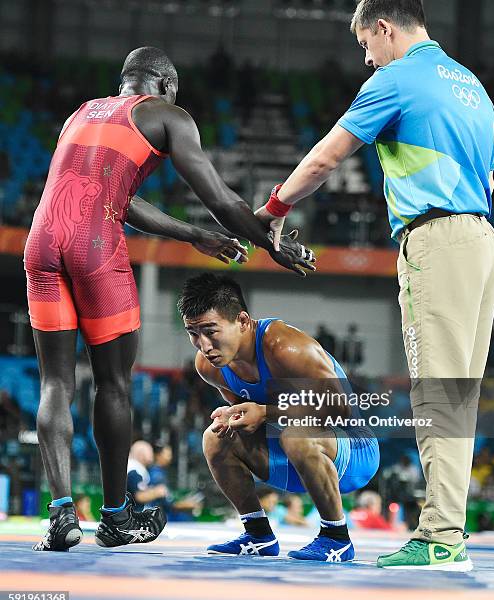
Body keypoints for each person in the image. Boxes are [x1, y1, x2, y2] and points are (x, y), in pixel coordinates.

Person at [27, 46, 315, 553]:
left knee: (55, 383)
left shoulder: (80, 115)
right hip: (95, 247)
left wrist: (190, 235)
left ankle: (60, 514)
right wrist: (273, 246)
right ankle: (116, 515)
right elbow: (222, 199)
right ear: (164, 84)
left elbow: (116, 197)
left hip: (42, 242)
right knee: (113, 384)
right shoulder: (167, 115)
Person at [255, 0, 494, 571]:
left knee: (436, 393)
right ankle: (450, 531)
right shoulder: (471, 85)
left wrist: (272, 209)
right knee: (458, 395)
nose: (368, 61)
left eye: (367, 47)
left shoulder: (397, 78)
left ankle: (439, 535)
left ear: (385, 29)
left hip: (436, 240)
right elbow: (489, 175)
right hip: (483, 240)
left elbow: (324, 160)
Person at [178, 273, 379, 562]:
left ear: (243, 321)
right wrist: (233, 415)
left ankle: (336, 537)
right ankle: (257, 534)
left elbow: (341, 407)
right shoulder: (209, 367)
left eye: (211, 331)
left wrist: (266, 412)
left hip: (353, 452)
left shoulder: (286, 347)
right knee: (215, 436)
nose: (203, 345)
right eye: (193, 333)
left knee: (296, 434)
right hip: (292, 457)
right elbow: (252, 414)